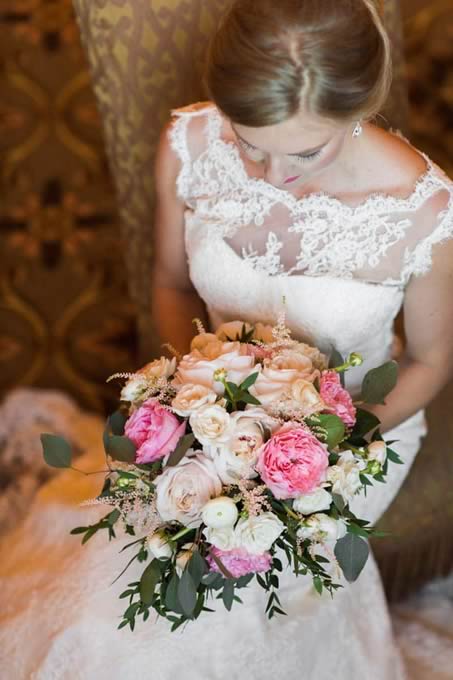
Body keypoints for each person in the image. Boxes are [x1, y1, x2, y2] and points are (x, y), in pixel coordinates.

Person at [1, 1, 452, 678]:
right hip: (208, 414)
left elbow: (430, 359)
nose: (271, 175)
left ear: (360, 104)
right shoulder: (187, 142)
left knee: (227, 594)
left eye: (305, 150)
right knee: (123, 595)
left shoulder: (424, 213)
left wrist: (326, 445)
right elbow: (171, 286)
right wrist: (194, 402)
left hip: (358, 434)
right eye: (248, 142)